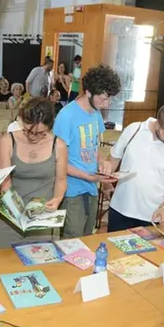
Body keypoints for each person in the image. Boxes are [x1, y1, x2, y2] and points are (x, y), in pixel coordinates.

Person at [53, 64, 121, 238]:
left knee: (87, 237)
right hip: (71, 190)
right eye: (104, 98)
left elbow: (94, 146)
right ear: (89, 92)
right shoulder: (66, 116)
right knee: (72, 238)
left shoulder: (95, 113)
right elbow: (58, 162)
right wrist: (89, 176)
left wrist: (101, 162)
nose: (107, 104)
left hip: (91, 187)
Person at [0, 98, 67, 248]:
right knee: (4, 262)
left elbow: (61, 179)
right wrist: (17, 211)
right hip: (12, 215)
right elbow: (5, 181)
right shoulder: (8, 141)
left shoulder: (58, 145)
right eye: (28, 131)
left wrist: (58, 198)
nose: (33, 136)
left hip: (42, 217)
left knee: (39, 263)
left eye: (40, 133)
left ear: (49, 127)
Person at [105, 103, 164, 231]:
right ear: (157, 124)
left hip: (151, 215)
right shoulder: (134, 130)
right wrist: (106, 182)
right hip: (120, 209)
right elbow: (113, 158)